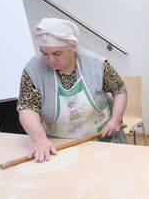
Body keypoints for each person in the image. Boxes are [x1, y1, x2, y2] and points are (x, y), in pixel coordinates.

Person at [17, 18, 128, 162]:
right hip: (59, 146)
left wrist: (115, 120)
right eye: (44, 53)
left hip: (102, 140)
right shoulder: (33, 70)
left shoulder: (95, 64)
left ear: (72, 48)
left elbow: (119, 89)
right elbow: (27, 107)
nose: (50, 59)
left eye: (57, 54)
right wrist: (40, 140)